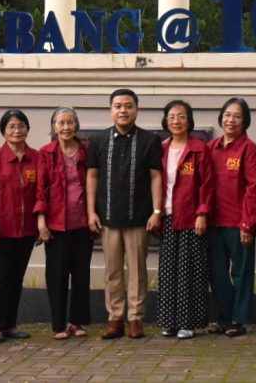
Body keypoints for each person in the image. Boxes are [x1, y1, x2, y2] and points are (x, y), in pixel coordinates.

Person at [86, 88, 163, 340]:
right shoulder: (98, 141)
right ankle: (115, 318)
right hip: (107, 217)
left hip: (139, 217)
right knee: (112, 270)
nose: (123, 110)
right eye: (118, 106)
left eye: (128, 105)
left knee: (138, 270)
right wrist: (90, 212)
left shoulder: (149, 141)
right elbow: (92, 176)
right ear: (111, 110)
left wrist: (156, 211)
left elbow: (155, 177)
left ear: (136, 109)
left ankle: (135, 319)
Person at [156, 100, 214, 340]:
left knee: (190, 271)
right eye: (171, 117)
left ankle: (188, 323)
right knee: (168, 271)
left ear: (189, 120)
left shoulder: (200, 148)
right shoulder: (161, 148)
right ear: (166, 121)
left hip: (192, 218)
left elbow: (207, 184)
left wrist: (202, 213)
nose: (176, 121)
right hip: (167, 216)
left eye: (181, 116)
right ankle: (169, 321)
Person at [0, 109, 40, 344]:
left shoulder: (36, 158)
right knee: (3, 277)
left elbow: (41, 191)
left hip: (26, 229)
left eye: (21, 126)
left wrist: (39, 222)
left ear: (27, 129)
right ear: (4, 131)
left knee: (17, 277)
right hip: (1, 230)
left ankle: (11, 325)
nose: (17, 130)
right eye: (11, 126)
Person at [35, 106, 93, 340]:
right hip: (56, 224)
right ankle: (58, 324)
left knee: (81, 274)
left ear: (76, 125)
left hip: (82, 222)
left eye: (70, 122)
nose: (66, 127)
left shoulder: (87, 151)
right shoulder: (46, 153)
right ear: (54, 127)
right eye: (61, 123)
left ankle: (75, 322)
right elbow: (40, 189)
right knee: (56, 275)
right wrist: (41, 220)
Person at [207, 97, 256, 338]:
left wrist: (248, 224)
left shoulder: (249, 150)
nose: (231, 120)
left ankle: (238, 320)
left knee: (241, 272)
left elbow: (254, 188)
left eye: (237, 116)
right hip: (213, 223)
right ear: (221, 117)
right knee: (217, 273)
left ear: (245, 121)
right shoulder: (211, 148)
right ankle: (224, 317)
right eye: (227, 115)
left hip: (239, 223)